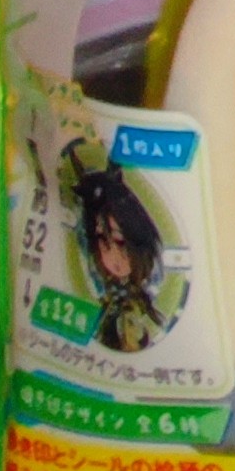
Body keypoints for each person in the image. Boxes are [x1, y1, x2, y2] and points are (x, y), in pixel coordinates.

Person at [63, 144, 171, 355]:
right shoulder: (99, 285)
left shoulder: (151, 287)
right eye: (102, 240)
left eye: (121, 242)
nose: (113, 257)